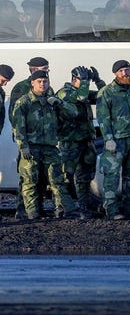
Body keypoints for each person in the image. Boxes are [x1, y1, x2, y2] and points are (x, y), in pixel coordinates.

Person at [11, 70, 82, 220]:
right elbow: (18, 126)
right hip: (31, 147)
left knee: (58, 180)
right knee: (30, 181)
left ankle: (67, 210)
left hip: (50, 147)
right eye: (39, 82)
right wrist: (23, 146)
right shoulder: (24, 102)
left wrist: (60, 102)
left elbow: (74, 113)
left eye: (45, 81)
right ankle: (32, 213)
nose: (42, 84)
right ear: (32, 83)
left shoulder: (52, 101)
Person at [96, 60, 130, 220]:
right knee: (112, 177)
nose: (125, 73)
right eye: (121, 71)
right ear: (115, 74)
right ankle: (112, 211)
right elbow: (103, 118)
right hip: (117, 141)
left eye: (127, 70)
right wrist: (108, 139)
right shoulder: (107, 92)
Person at [56, 65, 105, 217]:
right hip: (70, 142)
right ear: (74, 79)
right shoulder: (65, 92)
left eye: (87, 81)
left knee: (85, 177)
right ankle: (61, 208)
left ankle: (84, 208)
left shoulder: (81, 90)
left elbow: (105, 96)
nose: (86, 83)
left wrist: (98, 81)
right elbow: (82, 97)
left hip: (86, 141)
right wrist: (84, 82)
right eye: (83, 80)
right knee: (65, 176)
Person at [9, 56, 51, 220]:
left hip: (45, 140)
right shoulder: (21, 88)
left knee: (41, 176)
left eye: (47, 68)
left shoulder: (48, 87)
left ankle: (38, 207)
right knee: (27, 175)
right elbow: (15, 116)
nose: (46, 72)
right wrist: (22, 141)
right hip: (28, 140)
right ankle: (22, 208)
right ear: (32, 69)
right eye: (43, 68)